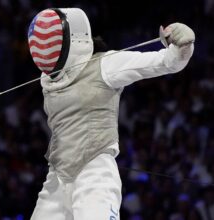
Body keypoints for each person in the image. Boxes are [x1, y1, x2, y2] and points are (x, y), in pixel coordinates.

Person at [27, 8, 195, 219]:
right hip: (57, 178)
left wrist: (182, 46)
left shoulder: (105, 65)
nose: (43, 49)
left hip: (94, 175)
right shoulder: (48, 79)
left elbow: (165, 62)